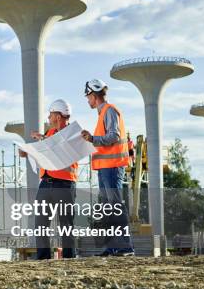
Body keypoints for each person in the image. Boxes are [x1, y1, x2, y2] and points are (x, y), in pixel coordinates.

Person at [80, 79, 134, 256]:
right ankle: (113, 246)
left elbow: (114, 136)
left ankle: (125, 246)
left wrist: (93, 139)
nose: (87, 100)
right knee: (108, 208)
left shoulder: (109, 111)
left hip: (111, 168)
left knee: (115, 206)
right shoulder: (103, 114)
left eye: (88, 97)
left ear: (94, 96)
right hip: (105, 168)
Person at [21, 99, 78, 259]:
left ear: (58, 116)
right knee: (40, 223)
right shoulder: (50, 134)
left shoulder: (72, 134)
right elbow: (46, 152)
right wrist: (28, 152)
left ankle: (69, 259)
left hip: (65, 184)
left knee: (66, 225)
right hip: (46, 183)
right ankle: (43, 259)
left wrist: (42, 139)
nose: (48, 117)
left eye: (50, 114)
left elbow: (58, 147)